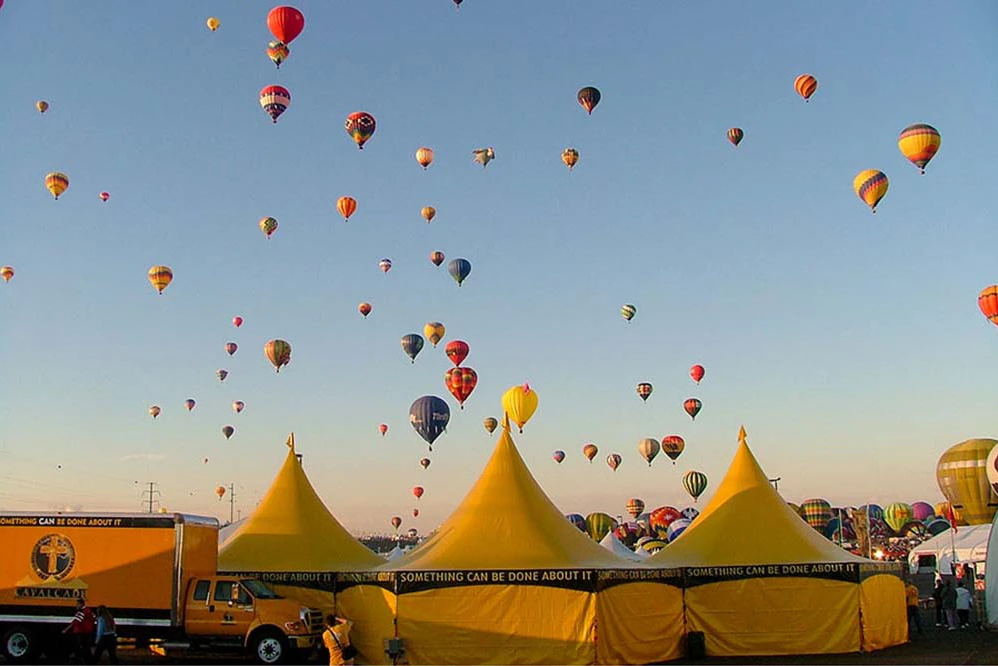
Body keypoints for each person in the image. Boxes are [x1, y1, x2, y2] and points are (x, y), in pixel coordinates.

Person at [62, 597, 96, 664]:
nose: (76, 605)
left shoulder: (81, 612)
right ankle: (88, 661)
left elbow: (75, 622)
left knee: (80, 647)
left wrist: (66, 629)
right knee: (86, 648)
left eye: (77, 604)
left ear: (81, 604)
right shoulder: (89, 611)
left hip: (81, 633)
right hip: (87, 632)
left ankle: (79, 661)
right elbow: (94, 618)